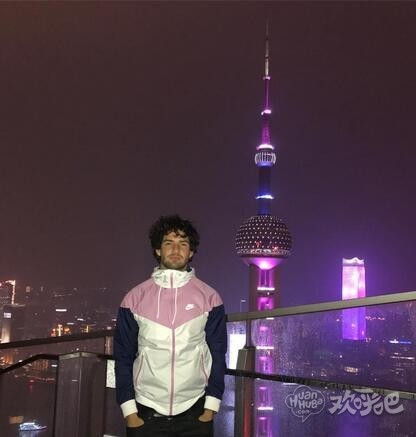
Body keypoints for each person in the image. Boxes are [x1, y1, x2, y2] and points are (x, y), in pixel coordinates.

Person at [114, 215, 227, 437]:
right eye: (168, 243)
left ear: (191, 252)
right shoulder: (134, 298)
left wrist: (211, 407)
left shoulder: (210, 297)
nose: (176, 249)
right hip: (145, 412)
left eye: (183, 244)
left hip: (195, 411)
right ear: (158, 249)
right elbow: (123, 355)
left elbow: (218, 353)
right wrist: (129, 412)